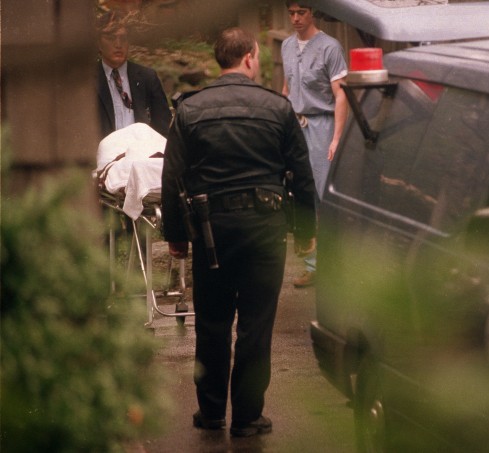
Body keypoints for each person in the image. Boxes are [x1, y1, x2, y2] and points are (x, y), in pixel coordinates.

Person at [161, 27, 317, 437]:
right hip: (264, 227)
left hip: (211, 228)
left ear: (219, 60)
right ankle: (248, 417)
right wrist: (305, 230)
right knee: (255, 323)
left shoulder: (190, 109)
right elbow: (301, 174)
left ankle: (211, 412)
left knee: (211, 321)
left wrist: (175, 234)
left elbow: (172, 176)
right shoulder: (277, 107)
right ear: (249, 57)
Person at [281, 1, 348, 288]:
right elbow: (287, 87)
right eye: (292, 13)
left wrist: (336, 137)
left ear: (312, 13)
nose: (296, 19)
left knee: (324, 195)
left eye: (302, 13)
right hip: (296, 124)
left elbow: (341, 94)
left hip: (322, 124)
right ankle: (312, 264)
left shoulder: (329, 47)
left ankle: (337, 266)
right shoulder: (286, 46)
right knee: (301, 195)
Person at [96, 10, 171, 139]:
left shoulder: (147, 77)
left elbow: (163, 126)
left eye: (123, 38)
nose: (118, 45)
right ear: (98, 43)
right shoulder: (88, 81)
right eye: (111, 38)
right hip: (102, 154)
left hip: (141, 153)